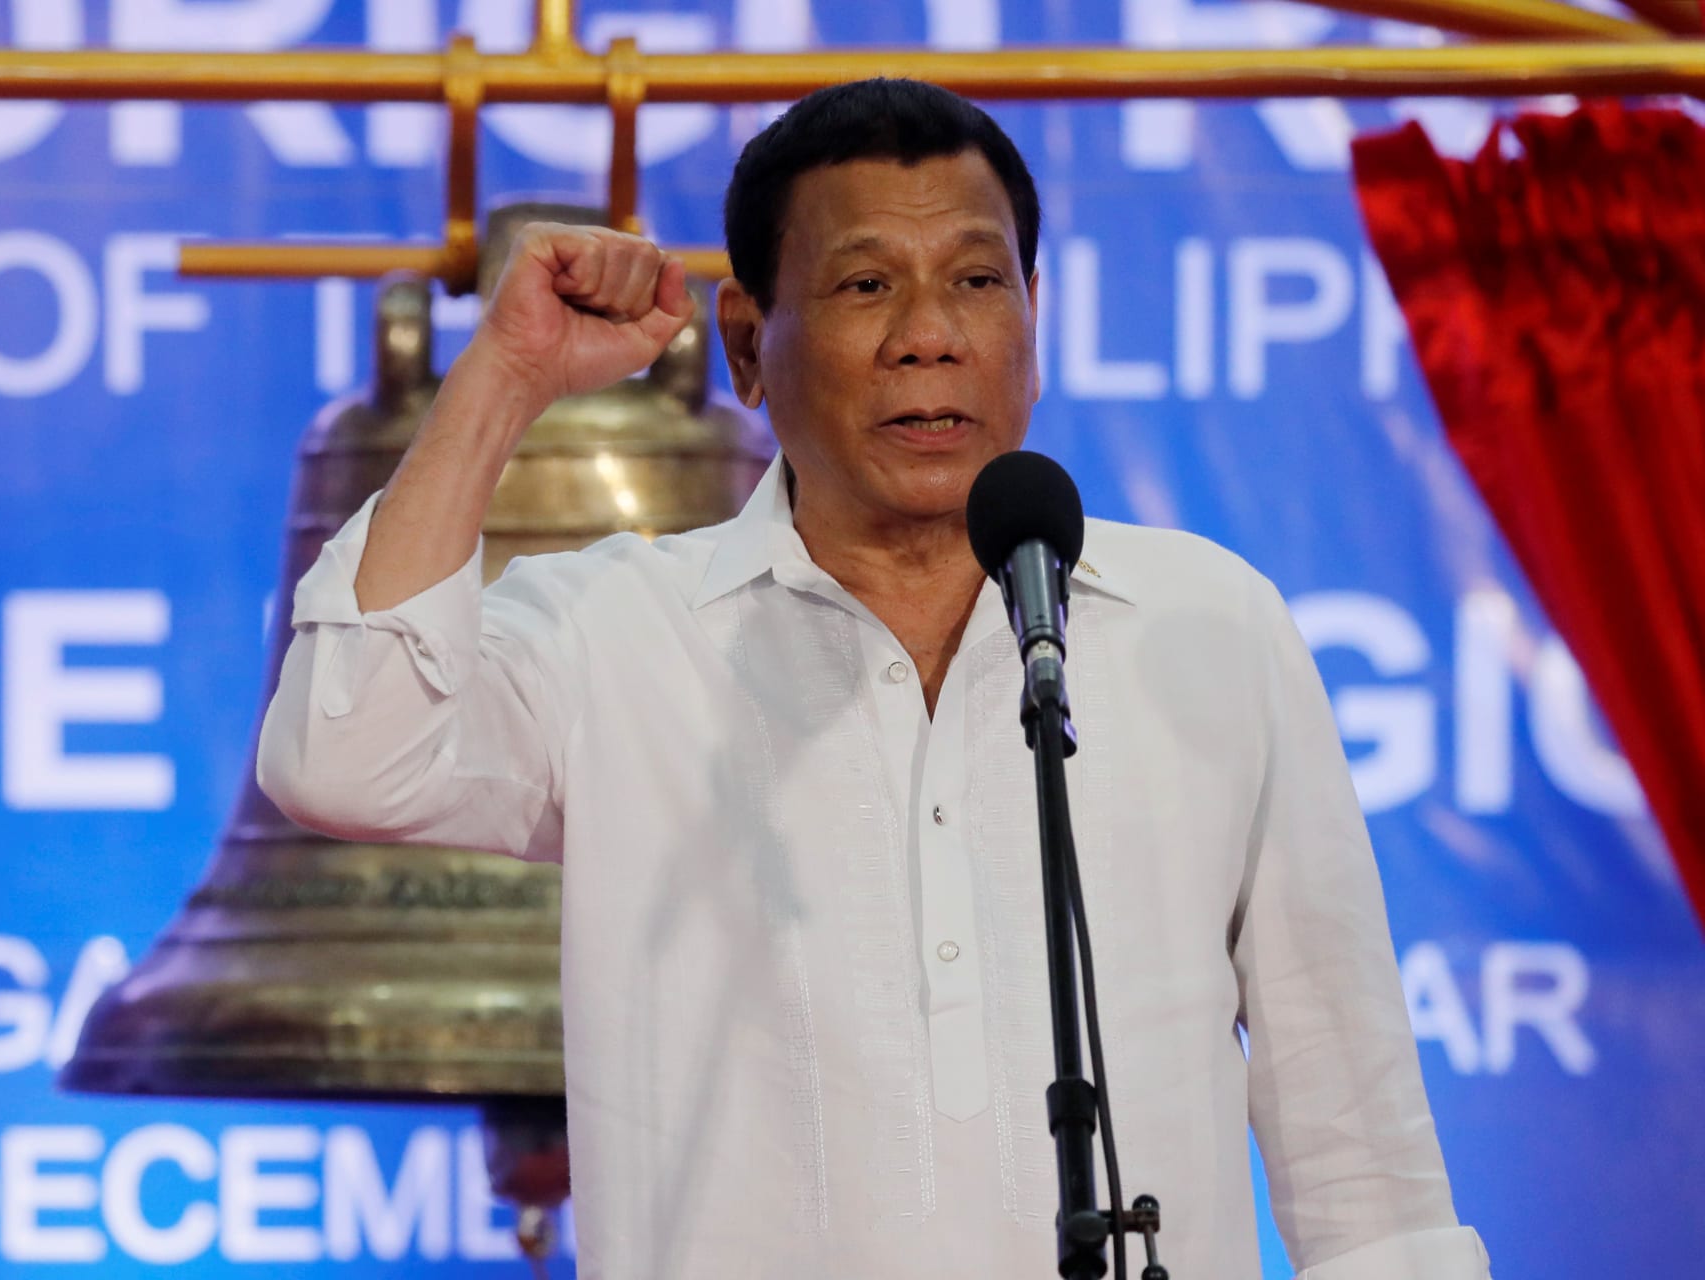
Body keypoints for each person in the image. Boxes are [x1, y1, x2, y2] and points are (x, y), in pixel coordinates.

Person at [259, 78, 1491, 1280]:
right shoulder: (620, 632)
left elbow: (1358, 1148)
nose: (928, 335)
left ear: (1032, 315)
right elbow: (345, 753)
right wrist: (506, 375)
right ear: (748, 341)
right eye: (864, 285)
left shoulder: (1208, 625)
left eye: (974, 279)